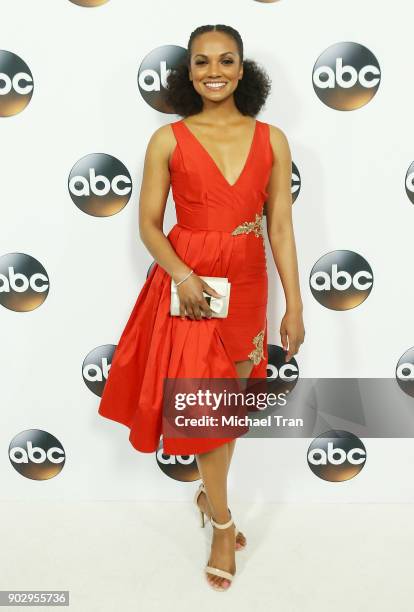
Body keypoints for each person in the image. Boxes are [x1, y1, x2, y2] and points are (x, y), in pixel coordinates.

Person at [98, 24, 305, 591]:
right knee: (206, 407)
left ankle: (207, 495)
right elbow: (147, 223)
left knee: (226, 404)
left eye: (226, 60)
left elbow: (281, 229)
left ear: (243, 69)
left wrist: (294, 303)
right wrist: (183, 276)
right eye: (201, 62)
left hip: (248, 280)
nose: (214, 70)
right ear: (188, 72)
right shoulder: (168, 139)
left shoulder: (273, 139)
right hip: (193, 286)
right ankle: (222, 521)